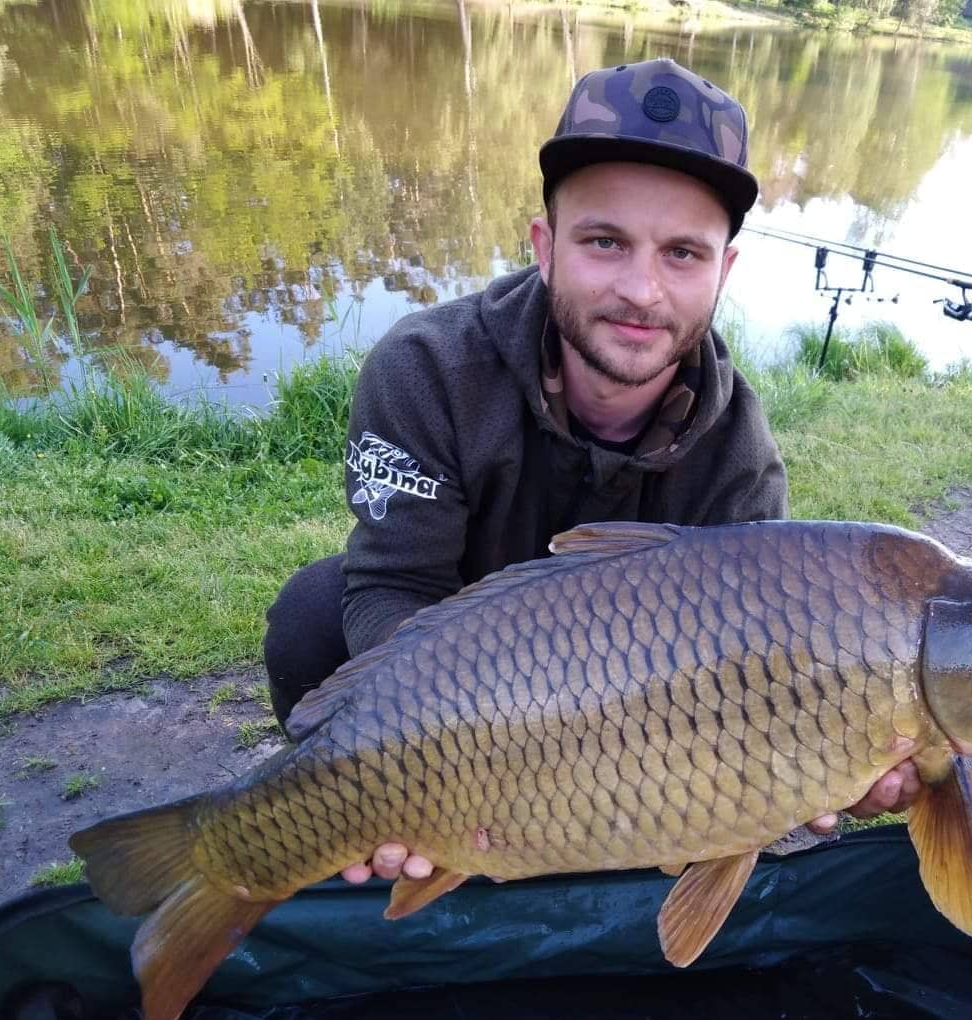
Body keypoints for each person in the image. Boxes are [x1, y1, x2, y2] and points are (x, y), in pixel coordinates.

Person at [263, 58, 920, 888]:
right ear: (545, 248)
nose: (641, 291)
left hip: (633, 716)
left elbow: (742, 676)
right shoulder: (425, 370)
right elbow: (393, 584)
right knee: (313, 615)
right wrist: (435, 755)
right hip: (453, 676)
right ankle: (367, 811)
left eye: (682, 253)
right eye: (605, 242)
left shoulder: (738, 458)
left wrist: (822, 760)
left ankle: (577, 849)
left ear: (723, 272)